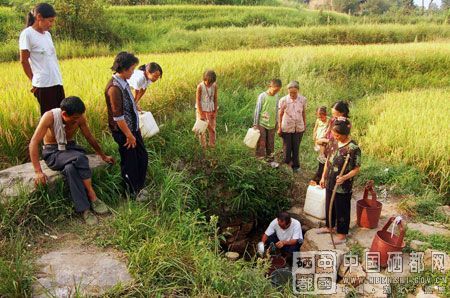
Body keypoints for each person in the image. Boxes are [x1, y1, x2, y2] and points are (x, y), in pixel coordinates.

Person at [29, 96, 114, 225]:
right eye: (74, 118)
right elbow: (33, 142)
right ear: (63, 114)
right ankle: (92, 196)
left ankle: (84, 210)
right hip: (53, 153)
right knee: (80, 158)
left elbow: (89, 136)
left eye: (78, 117)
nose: (77, 121)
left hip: (70, 148)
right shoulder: (49, 117)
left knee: (70, 169)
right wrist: (38, 171)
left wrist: (102, 156)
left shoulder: (79, 117)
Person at [105, 52, 148, 197]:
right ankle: (131, 193)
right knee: (130, 162)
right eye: (131, 69)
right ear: (123, 69)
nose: (133, 72)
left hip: (132, 129)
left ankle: (138, 188)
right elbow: (118, 117)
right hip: (124, 132)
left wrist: (134, 106)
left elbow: (126, 105)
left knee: (142, 157)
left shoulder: (123, 83)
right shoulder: (114, 88)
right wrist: (129, 135)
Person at [317, 119, 361, 245]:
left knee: (342, 207)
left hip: (343, 185)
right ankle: (329, 226)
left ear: (345, 134)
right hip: (330, 180)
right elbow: (327, 161)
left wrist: (344, 177)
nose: (335, 137)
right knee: (329, 204)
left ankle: (342, 234)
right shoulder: (332, 142)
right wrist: (323, 177)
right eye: (334, 135)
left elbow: (356, 168)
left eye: (338, 135)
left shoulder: (353, 148)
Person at [19, 3, 65, 116]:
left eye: (53, 21)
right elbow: (24, 61)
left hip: (57, 81)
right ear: (39, 17)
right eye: (50, 21)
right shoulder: (27, 34)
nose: (51, 24)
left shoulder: (47, 35)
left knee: (61, 117)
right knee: (49, 119)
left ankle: (60, 135)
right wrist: (33, 81)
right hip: (43, 85)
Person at [278, 81, 307, 173]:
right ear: (288, 91)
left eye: (294, 92)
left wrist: (304, 125)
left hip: (298, 127)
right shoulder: (283, 100)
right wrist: (279, 127)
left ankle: (296, 166)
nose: (292, 94)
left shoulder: (302, 99)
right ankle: (287, 164)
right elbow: (280, 114)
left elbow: (303, 113)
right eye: (290, 92)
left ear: (298, 91)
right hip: (286, 126)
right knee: (287, 147)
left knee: (296, 147)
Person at [253, 79, 282, 165]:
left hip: (272, 124)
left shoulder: (276, 97)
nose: (276, 92)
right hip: (262, 123)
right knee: (261, 142)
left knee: (270, 142)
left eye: (278, 90)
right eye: (275, 90)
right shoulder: (262, 96)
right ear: (270, 87)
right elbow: (257, 110)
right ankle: (260, 159)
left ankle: (270, 159)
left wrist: (277, 122)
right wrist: (255, 123)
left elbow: (277, 110)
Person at [196, 70, 218, 148]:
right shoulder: (200, 86)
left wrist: (215, 111)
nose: (209, 85)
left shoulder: (214, 86)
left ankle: (212, 145)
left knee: (212, 128)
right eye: (208, 83)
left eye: (211, 83)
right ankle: (203, 147)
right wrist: (201, 114)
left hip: (211, 110)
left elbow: (215, 99)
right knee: (202, 130)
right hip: (202, 110)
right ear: (204, 79)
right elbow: (198, 100)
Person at [310, 106, 330, 185]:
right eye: (319, 117)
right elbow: (315, 128)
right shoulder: (318, 120)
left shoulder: (329, 120)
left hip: (324, 138)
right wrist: (314, 136)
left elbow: (328, 129)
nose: (321, 118)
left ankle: (322, 161)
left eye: (322, 117)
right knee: (320, 153)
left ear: (325, 114)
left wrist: (325, 135)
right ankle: (321, 163)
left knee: (323, 153)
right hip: (318, 138)